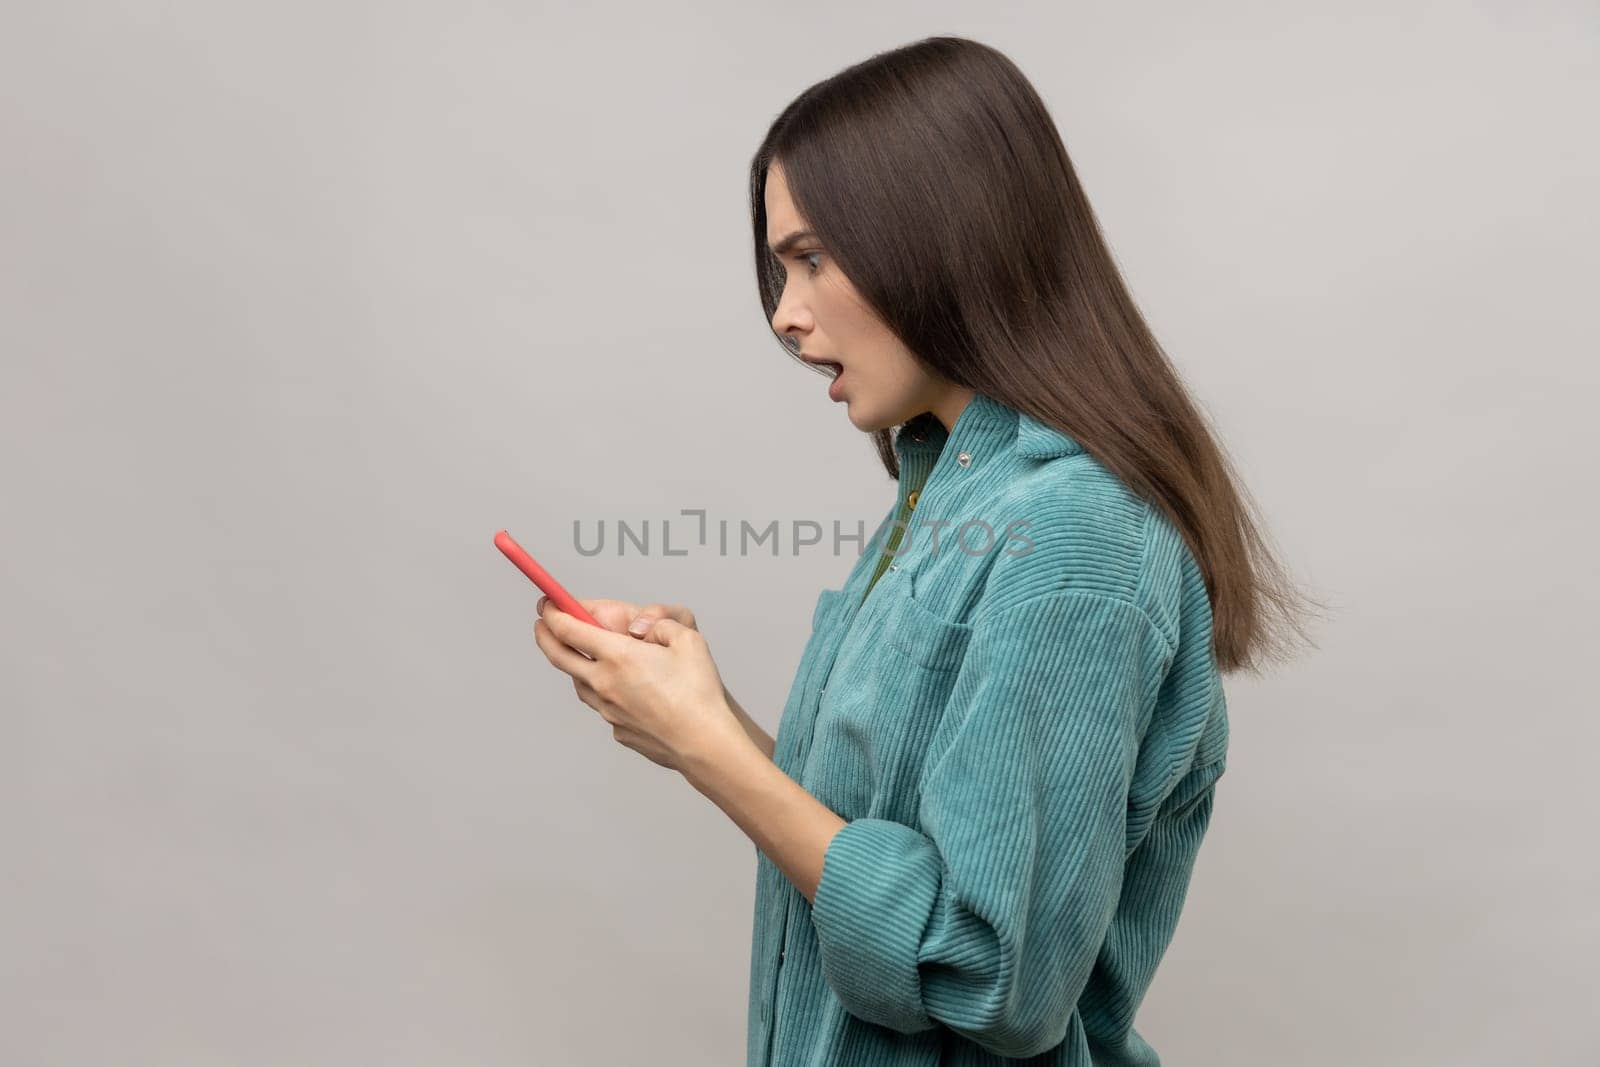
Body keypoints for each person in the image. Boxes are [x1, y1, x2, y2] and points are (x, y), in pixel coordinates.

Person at [531, 34, 1321, 1067]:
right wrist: (701, 716)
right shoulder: (947, 486)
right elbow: (880, 855)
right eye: (779, 267)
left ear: (940, 235)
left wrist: (712, 754)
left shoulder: (1075, 536)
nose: (785, 313)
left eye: (812, 257)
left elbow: (995, 976)